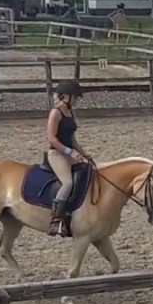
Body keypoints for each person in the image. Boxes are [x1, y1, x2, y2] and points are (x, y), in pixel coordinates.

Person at [45, 80, 87, 235]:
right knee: (68, 183)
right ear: (67, 96)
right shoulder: (56, 112)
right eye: (75, 97)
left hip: (70, 153)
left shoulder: (71, 113)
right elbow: (52, 138)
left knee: (88, 172)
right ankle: (56, 221)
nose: (76, 100)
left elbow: (73, 140)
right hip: (57, 153)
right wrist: (70, 152)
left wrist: (84, 153)